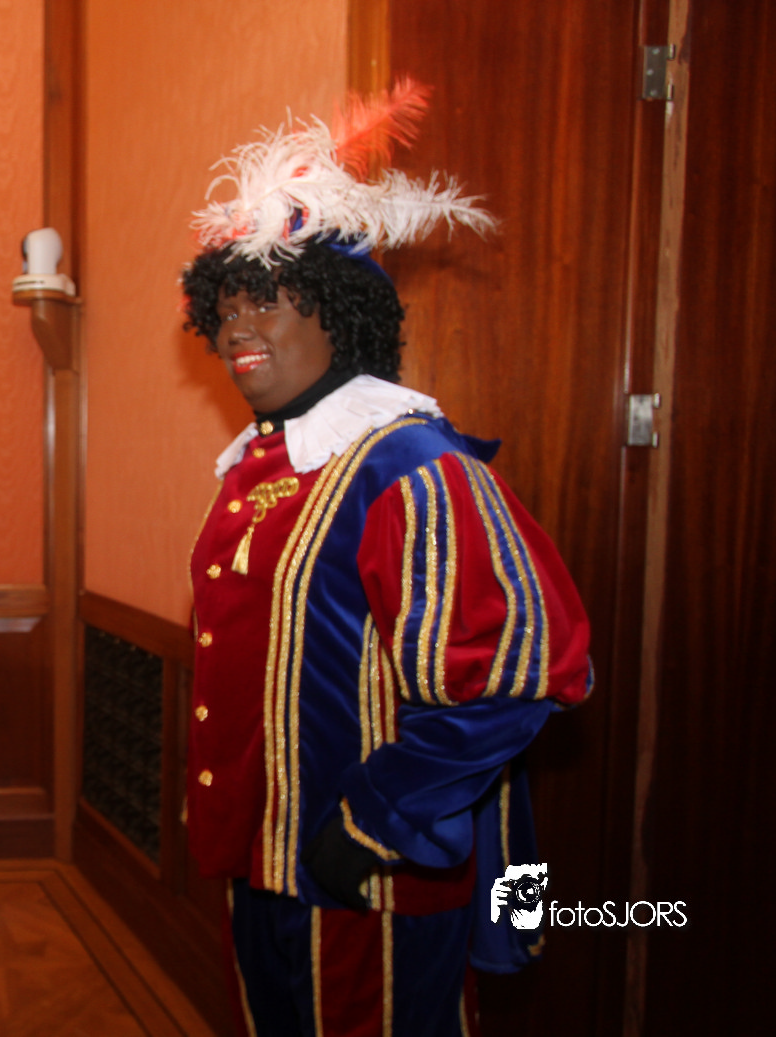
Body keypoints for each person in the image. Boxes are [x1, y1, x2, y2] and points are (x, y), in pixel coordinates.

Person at [180, 82, 592, 1036]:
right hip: (260, 864)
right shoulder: (261, 467)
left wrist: (374, 822)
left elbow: (517, 674)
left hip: (369, 883)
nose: (237, 327)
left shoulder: (408, 466)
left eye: (268, 299)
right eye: (224, 307)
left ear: (339, 313)